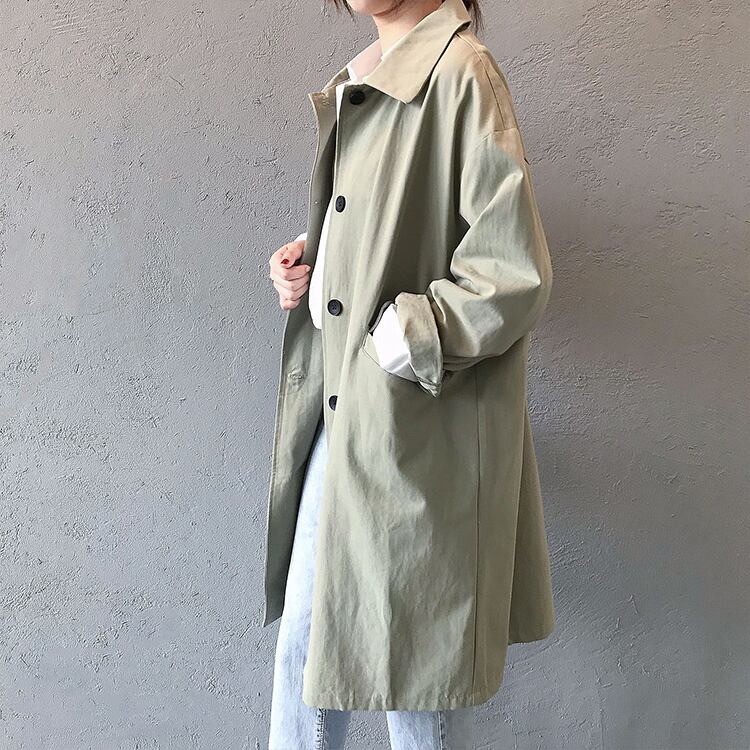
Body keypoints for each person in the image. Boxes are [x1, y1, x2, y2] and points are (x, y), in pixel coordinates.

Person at [265, 0, 556, 747]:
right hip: (343, 412)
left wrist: (410, 333)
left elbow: (513, 269)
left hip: (412, 421)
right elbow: (388, 222)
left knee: (416, 669)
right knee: (306, 642)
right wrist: (315, 259)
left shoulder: (461, 72)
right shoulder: (365, 76)